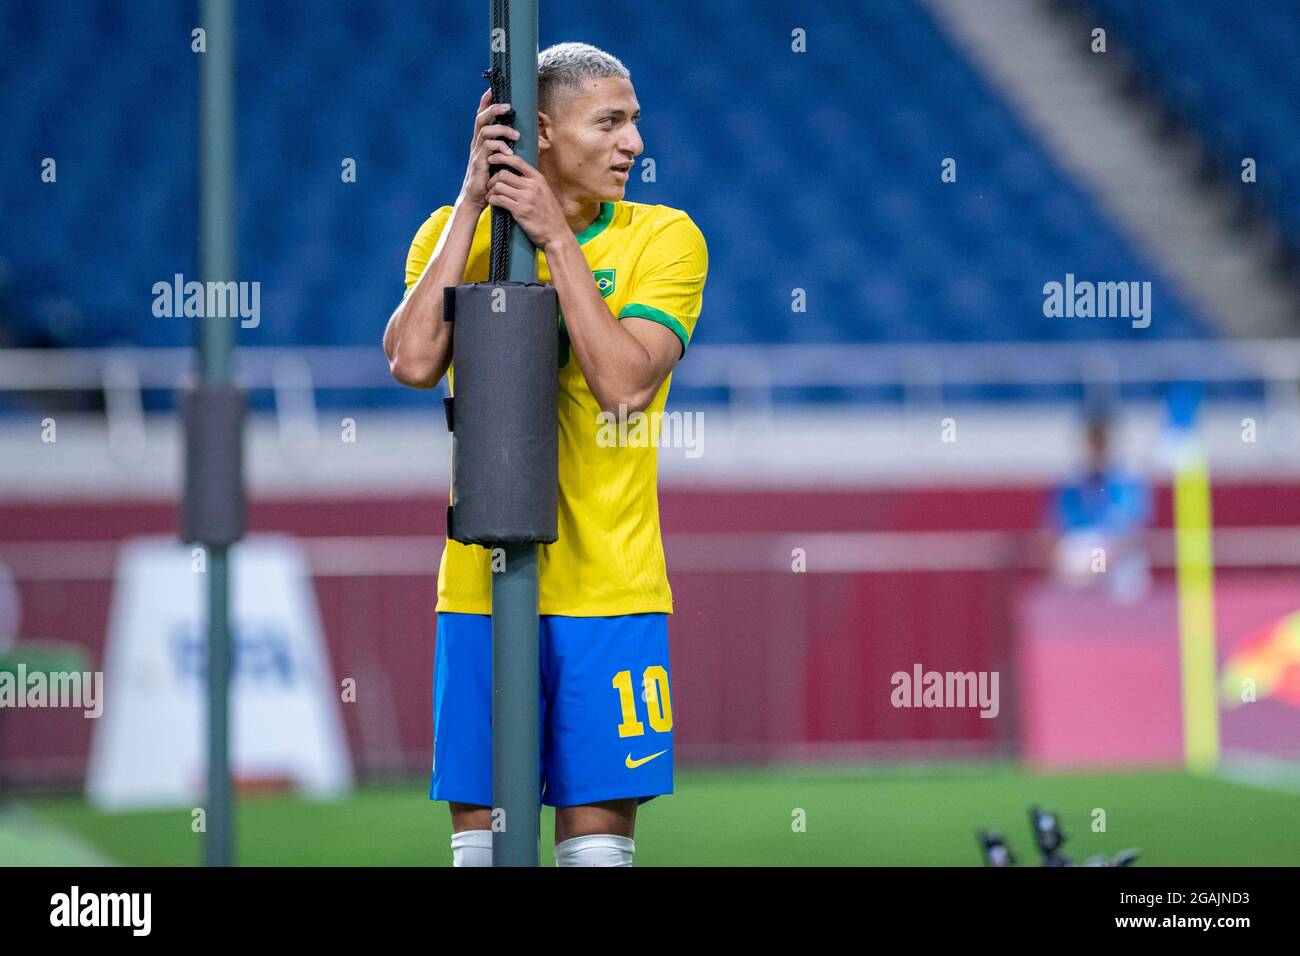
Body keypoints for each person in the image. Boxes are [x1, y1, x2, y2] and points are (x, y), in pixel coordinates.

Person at [382, 42, 707, 866]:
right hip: (481, 588)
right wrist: (469, 203)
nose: (635, 142)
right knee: (482, 846)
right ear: (544, 134)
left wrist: (556, 240)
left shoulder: (665, 241)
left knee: (595, 849)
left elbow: (624, 386)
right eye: (611, 121)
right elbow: (413, 363)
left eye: (633, 120)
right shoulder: (449, 237)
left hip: (612, 589)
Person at [1049, 407, 1153, 602]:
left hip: (1120, 556)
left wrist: (1107, 554)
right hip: (1083, 554)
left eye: (1102, 441)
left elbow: (1135, 527)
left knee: (1128, 579)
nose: (1097, 448)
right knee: (1078, 559)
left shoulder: (1128, 482)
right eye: (1093, 441)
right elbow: (1058, 530)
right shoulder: (1072, 484)